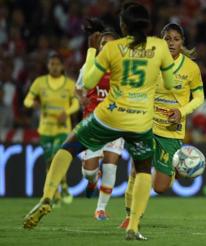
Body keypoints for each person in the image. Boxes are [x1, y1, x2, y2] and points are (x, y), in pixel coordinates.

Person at [23, 2, 176, 241]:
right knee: (144, 169)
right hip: (141, 121)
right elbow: (169, 83)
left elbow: (90, 81)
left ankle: (47, 197)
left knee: (68, 148)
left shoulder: (113, 48)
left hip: (110, 116)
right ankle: (133, 226)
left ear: (123, 26)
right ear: (147, 24)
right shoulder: (159, 46)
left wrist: (93, 50)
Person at [119, 22, 205, 229]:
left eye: (176, 39)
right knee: (136, 169)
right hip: (146, 123)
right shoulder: (151, 61)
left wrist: (181, 112)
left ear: (182, 42)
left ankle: (174, 168)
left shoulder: (191, 68)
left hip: (171, 131)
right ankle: (131, 216)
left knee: (160, 187)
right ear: (161, 40)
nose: (171, 43)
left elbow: (200, 97)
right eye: (167, 38)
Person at [76, 25, 123, 221]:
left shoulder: (122, 70)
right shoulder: (90, 66)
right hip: (93, 126)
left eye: (111, 44)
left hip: (114, 125)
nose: (106, 46)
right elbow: (78, 88)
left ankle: (101, 209)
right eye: (103, 43)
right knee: (89, 172)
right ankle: (92, 180)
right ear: (99, 46)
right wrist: (81, 99)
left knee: (111, 166)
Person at [23, 52, 79, 206]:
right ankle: (59, 192)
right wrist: (32, 104)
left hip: (63, 129)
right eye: (52, 64)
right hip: (45, 129)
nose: (54, 67)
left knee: (56, 157)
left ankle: (59, 191)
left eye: (57, 64)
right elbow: (27, 99)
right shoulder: (40, 82)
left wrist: (66, 112)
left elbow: (76, 103)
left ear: (62, 66)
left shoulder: (69, 84)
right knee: (49, 162)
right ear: (48, 65)